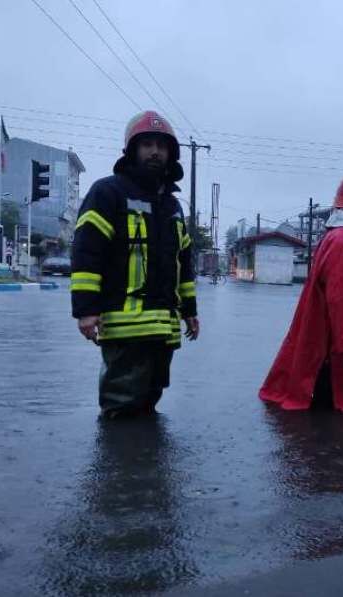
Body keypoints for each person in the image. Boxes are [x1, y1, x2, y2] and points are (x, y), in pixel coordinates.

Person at [71, 110, 199, 418]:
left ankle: (144, 461)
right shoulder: (108, 193)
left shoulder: (172, 206)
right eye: (147, 144)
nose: (155, 151)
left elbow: (184, 261)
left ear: (171, 154)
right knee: (121, 406)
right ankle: (119, 463)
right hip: (124, 327)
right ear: (132, 150)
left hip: (163, 329)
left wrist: (190, 312)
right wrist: (86, 310)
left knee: (149, 403)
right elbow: (87, 252)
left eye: (162, 146)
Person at [259, 172, 343, 411]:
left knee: (328, 415)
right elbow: (339, 297)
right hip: (333, 351)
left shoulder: (341, 238)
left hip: (329, 345)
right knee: (332, 415)